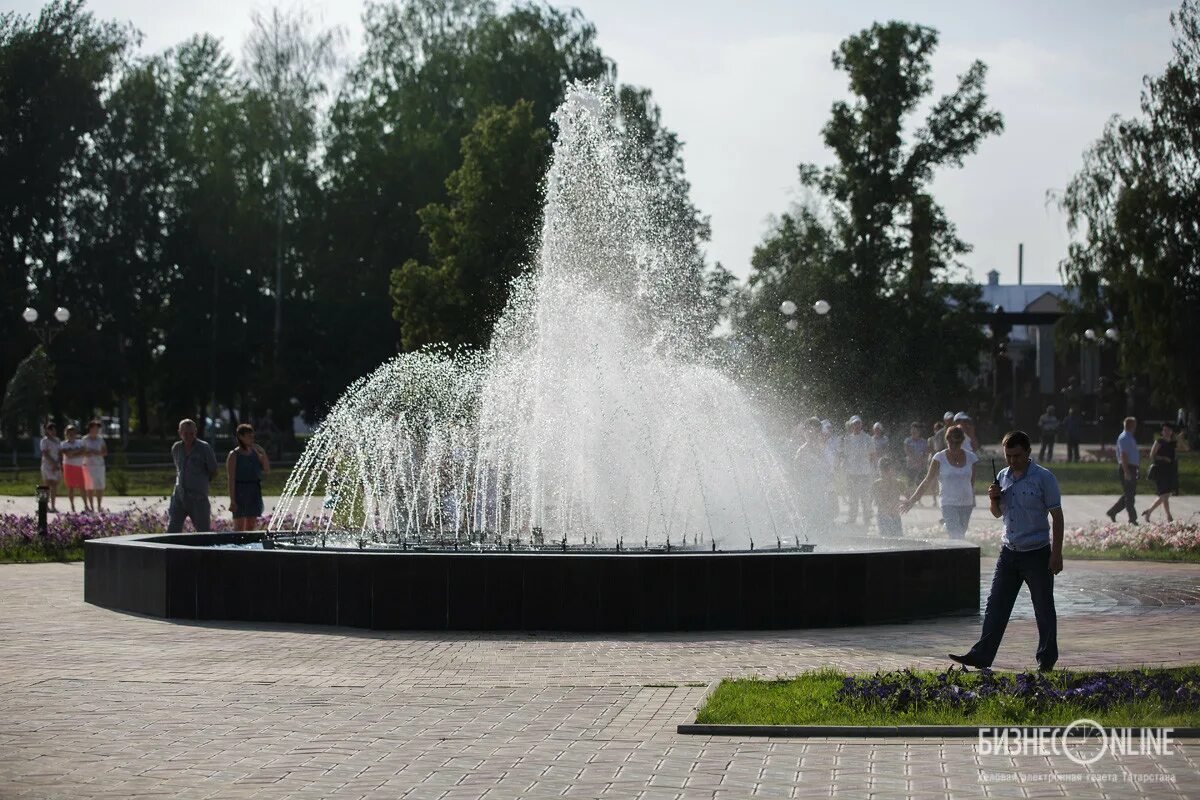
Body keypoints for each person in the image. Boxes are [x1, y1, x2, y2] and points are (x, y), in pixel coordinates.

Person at [948, 430, 1063, 672]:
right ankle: (981, 655)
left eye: (1017, 456)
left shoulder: (1044, 478)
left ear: (1028, 453)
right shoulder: (1002, 476)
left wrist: (1056, 553)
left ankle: (1047, 659)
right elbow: (998, 513)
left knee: (1043, 606)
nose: (1012, 461)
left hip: (1037, 553)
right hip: (1009, 553)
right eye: (1008, 456)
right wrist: (993, 499)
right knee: (996, 605)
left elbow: (1057, 516)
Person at [901, 425, 978, 539]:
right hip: (948, 503)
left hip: (966, 503)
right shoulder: (939, 458)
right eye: (951, 442)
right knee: (956, 535)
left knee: (961, 534)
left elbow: (971, 482)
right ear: (946, 440)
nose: (954, 446)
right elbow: (927, 481)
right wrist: (912, 500)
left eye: (957, 443)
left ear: (962, 441)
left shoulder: (972, 458)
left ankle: (955, 552)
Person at [168, 418, 219, 533]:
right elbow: (178, 469)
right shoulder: (176, 448)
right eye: (185, 433)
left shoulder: (204, 448)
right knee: (172, 530)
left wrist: (201, 482)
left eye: (191, 433)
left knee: (204, 532)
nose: (188, 436)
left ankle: (205, 551)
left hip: (198, 499)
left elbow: (214, 470)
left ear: (195, 432)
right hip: (179, 497)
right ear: (179, 433)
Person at [227, 423, 270, 531]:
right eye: (249, 436)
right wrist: (232, 500)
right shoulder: (234, 455)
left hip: (254, 490)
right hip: (240, 490)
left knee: (251, 525)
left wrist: (263, 453)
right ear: (241, 437)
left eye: (252, 436)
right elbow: (231, 478)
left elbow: (266, 469)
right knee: (239, 526)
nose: (252, 439)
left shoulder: (256, 452)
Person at [1142, 422, 1180, 523]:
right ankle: (1169, 517)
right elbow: (1152, 455)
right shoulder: (1159, 441)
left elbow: (1186, 449)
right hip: (1160, 470)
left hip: (1170, 471)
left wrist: (1179, 439)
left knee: (1165, 495)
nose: (1166, 432)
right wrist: (1163, 458)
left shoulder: (1173, 442)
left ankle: (1149, 511)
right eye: (1164, 430)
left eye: (1168, 430)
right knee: (1164, 494)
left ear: (1172, 431)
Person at [1106, 416, 1140, 524]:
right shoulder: (1124, 437)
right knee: (1129, 495)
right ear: (1131, 425)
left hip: (1131, 467)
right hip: (1127, 467)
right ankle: (1133, 519)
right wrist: (1126, 471)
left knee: (1129, 493)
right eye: (1135, 424)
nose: (1136, 427)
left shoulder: (1129, 437)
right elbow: (1123, 455)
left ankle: (1112, 511)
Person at [842, 416, 873, 525]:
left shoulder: (868, 438)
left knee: (865, 498)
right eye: (855, 424)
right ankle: (852, 518)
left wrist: (869, 468)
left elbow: (872, 455)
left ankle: (867, 518)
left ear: (861, 424)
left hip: (864, 473)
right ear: (851, 425)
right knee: (853, 498)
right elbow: (846, 456)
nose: (857, 426)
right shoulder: (848, 439)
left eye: (858, 423)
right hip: (852, 473)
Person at [873, 456, 905, 538]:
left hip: (892, 516)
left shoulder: (898, 483)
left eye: (888, 469)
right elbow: (878, 501)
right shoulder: (878, 484)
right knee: (891, 539)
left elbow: (909, 498)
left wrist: (902, 503)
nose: (887, 472)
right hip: (885, 516)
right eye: (884, 470)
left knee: (895, 539)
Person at [60, 425, 89, 513]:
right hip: (68, 467)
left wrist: (73, 453)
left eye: (73, 432)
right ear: (66, 434)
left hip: (80, 466)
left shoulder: (80, 442)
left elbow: (84, 452)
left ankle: (86, 505)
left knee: (82, 487)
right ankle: (72, 505)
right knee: (70, 487)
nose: (71, 434)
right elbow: (67, 454)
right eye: (69, 432)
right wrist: (78, 452)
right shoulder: (63, 444)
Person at [81, 420, 108, 513]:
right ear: (90, 428)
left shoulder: (100, 439)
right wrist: (89, 452)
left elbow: (105, 452)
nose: (97, 430)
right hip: (88, 465)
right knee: (89, 487)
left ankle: (99, 506)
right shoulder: (84, 439)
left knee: (100, 486)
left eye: (98, 428)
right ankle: (91, 506)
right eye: (95, 428)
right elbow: (82, 451)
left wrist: (97, 452)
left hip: (99, 465)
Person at [38, 422, 62, 513]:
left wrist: (57, 463)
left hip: (56, 465)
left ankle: (53, 506)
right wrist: (52, 463)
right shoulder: (44, 441)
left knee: (54, 485)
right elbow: (45, 453)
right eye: (50, 429)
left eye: (54, 429)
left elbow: (60, 453)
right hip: (47, 465)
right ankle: (43, 506)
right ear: (47, 430)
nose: (53, 431)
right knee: (46, 485)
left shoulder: (58, 440)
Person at [903, 422, 929, 504]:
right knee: (910, 482)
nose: (914, 432)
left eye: (916, 431)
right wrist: (915, 460)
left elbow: (925, 453)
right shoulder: (907, 441)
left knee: (919, 483)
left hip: (920, 465)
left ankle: (919, 500)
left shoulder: (924, 442)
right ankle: (908, 499)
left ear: (919, 432)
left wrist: (921, 460)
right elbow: (907, 451)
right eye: (912, 430)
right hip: (910, 465)